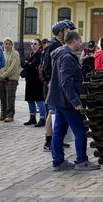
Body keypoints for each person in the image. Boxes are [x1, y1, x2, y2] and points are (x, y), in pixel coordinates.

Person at [47, 31, 100, 171]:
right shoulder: (67, 57)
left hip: (59, 100)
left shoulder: (60, 54)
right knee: (81, 130)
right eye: (80, 40)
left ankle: (58, 161)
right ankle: (81, 161)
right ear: (74, 41)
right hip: (68, 102)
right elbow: (66, 81)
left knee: (59, 131)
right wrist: (75, 101)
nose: (81, 43)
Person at [41, 20, 76, 151]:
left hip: (60, 83)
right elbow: (46, 68)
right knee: (52, 112)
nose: (70, 32)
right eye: (67, 30)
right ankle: (48, 141)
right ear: (60, 32)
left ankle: (59, 138)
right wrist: (54, 80)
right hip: (53, 84)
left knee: (59, 112)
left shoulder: (61, 45)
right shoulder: (52, 46)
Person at [22, 38, 46, 127]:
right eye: (31, 43)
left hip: (37, 79)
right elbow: (25, 64)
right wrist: (28, 64)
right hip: (29, 79)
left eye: (35, 43)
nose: (33, 45)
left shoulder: (40, 53)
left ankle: (43, 118)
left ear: (39, 45)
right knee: (30, 99)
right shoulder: (31, 54)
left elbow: (34, 64)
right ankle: (32, 117)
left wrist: (28, 64)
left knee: (39, 99)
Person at [0, 37, 21, 123]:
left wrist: (3, 75)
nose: (7, 45)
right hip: (1, 79)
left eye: (9, 44)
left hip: (11, 79)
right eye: (6, 43)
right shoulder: (2, 53)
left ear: (12, 45)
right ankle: (3, 114)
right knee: (2, 97)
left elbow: (13, 67)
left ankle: (10, 115)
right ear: (3, 45)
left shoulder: (15, 54)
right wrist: (1, 75)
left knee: (10, 98)